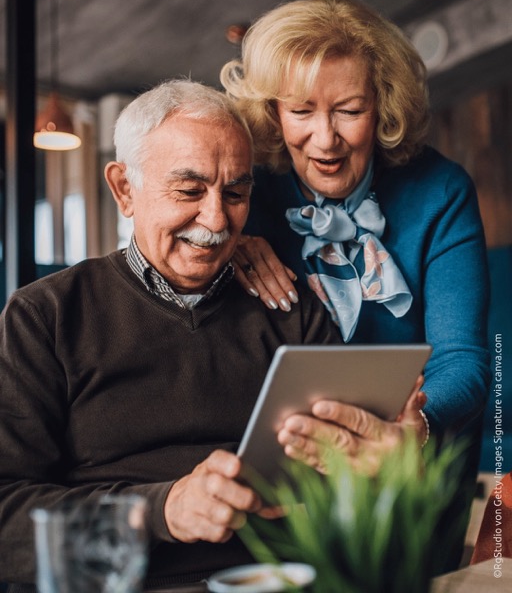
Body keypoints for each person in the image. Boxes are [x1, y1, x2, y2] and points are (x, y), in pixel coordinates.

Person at [0, 79, 427, 588]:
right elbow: (7, 514)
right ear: (124, 189)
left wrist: (388, 463)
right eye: (188, 190)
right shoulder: (44, 315)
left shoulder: (292, 310)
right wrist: (162, 511)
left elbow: (347, 499)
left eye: (236, 193)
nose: (216, 220)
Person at [221, 0, 491, 566]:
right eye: (301, 111)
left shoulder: (440, 191)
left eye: (349, 109)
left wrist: (413, 431)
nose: (325, 138)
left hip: (408, 473)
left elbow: (464, 360)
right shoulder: (245, 194)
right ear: (272, 111)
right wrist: (228, 240)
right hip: (283, 482)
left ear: (383, 106)